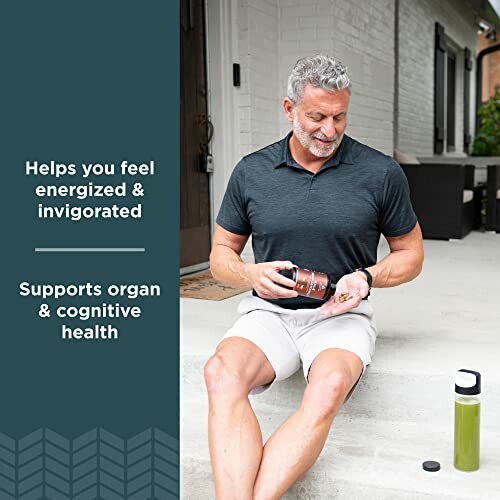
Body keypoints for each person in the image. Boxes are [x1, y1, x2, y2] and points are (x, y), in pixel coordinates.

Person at [204, 54, 424, 499]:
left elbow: (411, 254)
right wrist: (249, 272)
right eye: (317, 117)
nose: (329, 130)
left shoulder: (381, 173)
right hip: (269, 312)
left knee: (326, 390)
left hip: (341, 317)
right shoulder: (252, 171)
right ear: (289, 110)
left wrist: (366, 276)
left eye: (339, 117)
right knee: (221, 373)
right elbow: (220, 256)